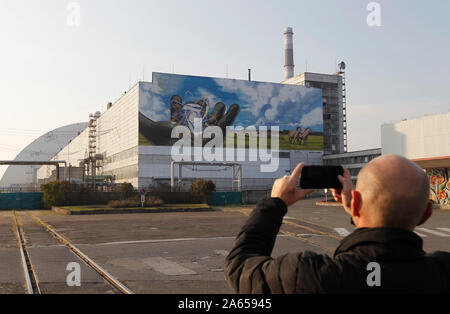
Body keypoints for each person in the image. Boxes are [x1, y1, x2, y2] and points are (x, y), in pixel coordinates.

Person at [225, 155, 450, 293]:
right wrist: (359, 210)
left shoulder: (309, 275)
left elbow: (241, 267)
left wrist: (275, 203)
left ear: (357, 202)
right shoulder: (441, 273)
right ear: (426, 214)